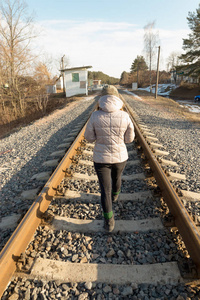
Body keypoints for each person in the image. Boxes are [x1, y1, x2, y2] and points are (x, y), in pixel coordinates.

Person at [84, 85, 135, 232]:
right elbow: (129, 139)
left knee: (104, 189)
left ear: (102, 98)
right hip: (120, 158)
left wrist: (99, 137)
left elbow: (89, 138)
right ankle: (115, 196)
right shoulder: (125, 115)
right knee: (117, 177)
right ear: (117, 97)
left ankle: (109, 220)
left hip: (101, 159)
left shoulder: (95, 116)